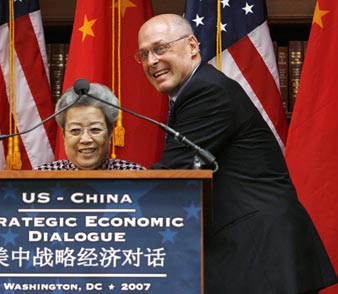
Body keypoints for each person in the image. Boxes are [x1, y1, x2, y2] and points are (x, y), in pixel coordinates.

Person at [136, 14, 337, 294]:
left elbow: (176, 174)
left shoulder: (205, 91)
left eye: (160, 48)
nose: (151, 61)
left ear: (192, 45)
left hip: (261, 253)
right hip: (253, 252)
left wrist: (104, 204)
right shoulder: (198, 88)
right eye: (144, 54)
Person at [35, 83, 145, 170]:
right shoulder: (41, 180)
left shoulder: (135, 177)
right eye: (75, 130)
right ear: (64, 135)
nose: (85, 139)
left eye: (95, 129)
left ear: (110, 132)